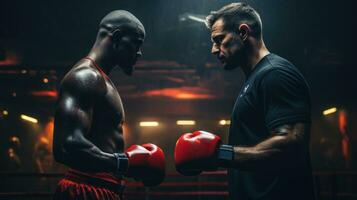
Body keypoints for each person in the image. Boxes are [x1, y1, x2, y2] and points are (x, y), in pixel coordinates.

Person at [174, 3, 314, 200]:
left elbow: (292, 144)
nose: (214, 49)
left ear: (243, 32)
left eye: (219, 40)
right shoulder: (256, 79)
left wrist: (220, 155)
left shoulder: (275, 74)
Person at [53, 10, 165, 200]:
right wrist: (123, 163)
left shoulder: (101, 80)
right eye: (136, 43)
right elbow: (67, 146)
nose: (139, 53)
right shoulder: (85, 77)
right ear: (117, 37)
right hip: (85, 189)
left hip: (103, 189)